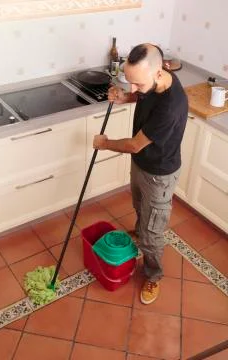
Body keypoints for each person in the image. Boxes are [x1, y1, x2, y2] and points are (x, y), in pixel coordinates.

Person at [93, 43, 188, 304]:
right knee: (139, 206)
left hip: (160, 173)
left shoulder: (171, 106)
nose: (133, 88)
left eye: (137, 84)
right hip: (142, 163)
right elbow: (144, 95)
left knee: (154, 231)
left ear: (158, 73)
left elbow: (134, 144)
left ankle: (153, 275)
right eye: (129, 82)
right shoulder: (156, 78)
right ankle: (141, 231)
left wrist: (105, 144)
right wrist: (126, 97)